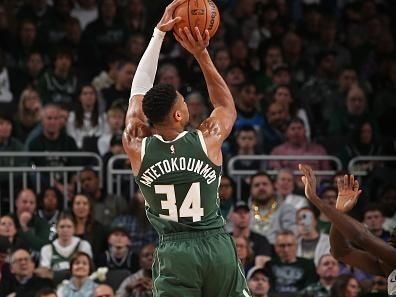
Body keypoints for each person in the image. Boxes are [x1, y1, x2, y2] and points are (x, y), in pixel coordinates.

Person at [122, 1, 251, 296]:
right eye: (183, 101)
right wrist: (201, 53)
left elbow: (136, 94)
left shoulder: (136, 145)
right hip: (215, 246)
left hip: (175, 252)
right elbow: (225, 106)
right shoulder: (207, 140)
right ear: (179, 115)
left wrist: (157, 35)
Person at [298, 163, 396, 297]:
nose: (391, 238)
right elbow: (340, 252)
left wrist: (316, 200)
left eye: (394, 237)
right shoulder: (386, 266)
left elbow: (361, 237)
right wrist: (339, 213)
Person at [264, 230, 318, 297]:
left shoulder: (308, 265)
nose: (286, 249)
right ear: (276, 247)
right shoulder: (269, 265)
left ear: (296, 246)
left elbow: (310, 289)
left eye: (290, 245)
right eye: (282, 246)